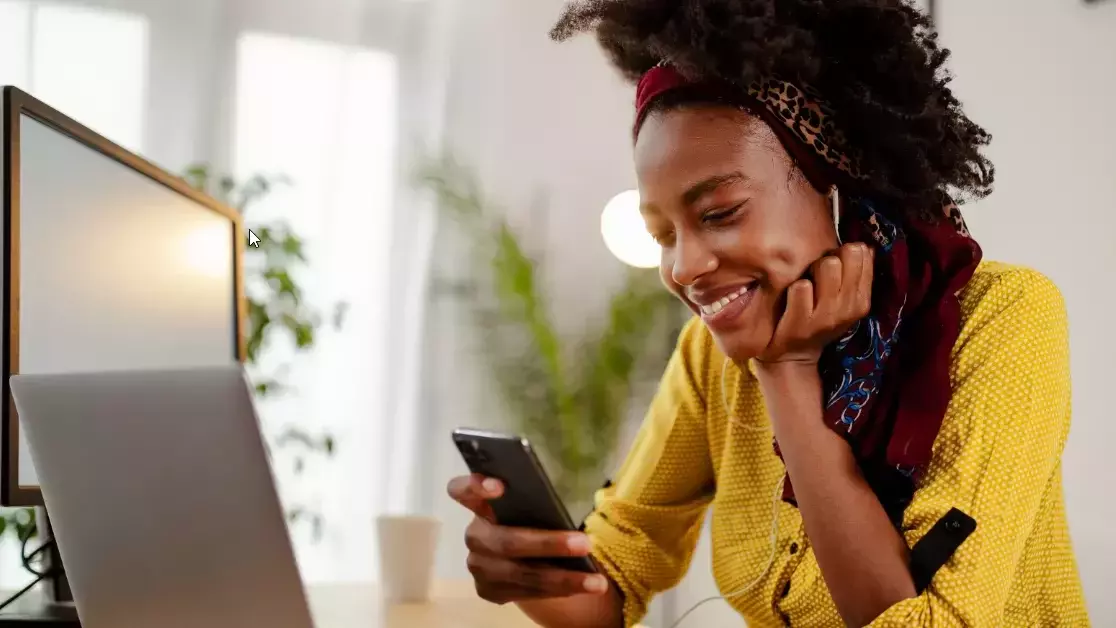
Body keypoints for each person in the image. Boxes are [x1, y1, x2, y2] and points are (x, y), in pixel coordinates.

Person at [447, 0, 1090, 626]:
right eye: (663, 235)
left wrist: (788, 374)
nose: (685, 268)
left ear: (838, 187)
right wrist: (530, 570)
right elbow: (614, 580)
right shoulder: (711, 355)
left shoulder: (1001, 318)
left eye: (719, 213)